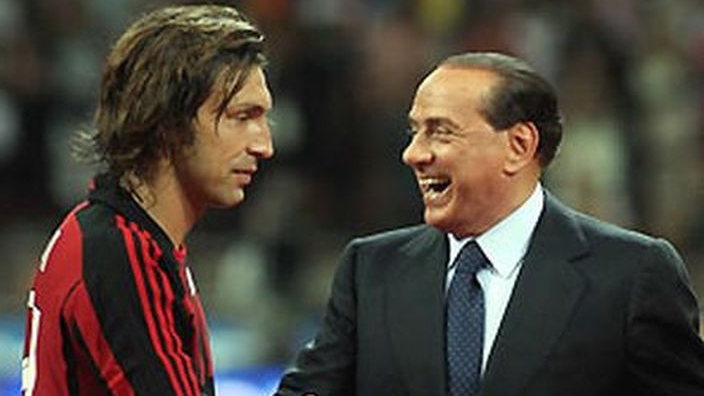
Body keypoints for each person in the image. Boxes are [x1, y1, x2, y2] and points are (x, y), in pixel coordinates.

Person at [276, 52, 704, 395]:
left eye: (440, 132)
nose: (413, 153)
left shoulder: (630, 275)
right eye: (414, 132)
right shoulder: (370, 270)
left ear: (518, 145)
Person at [21, 5, 273, 396]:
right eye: (242, 117)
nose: (264, 145)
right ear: (169, 123)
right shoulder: (120, 253)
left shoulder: (124, 239)